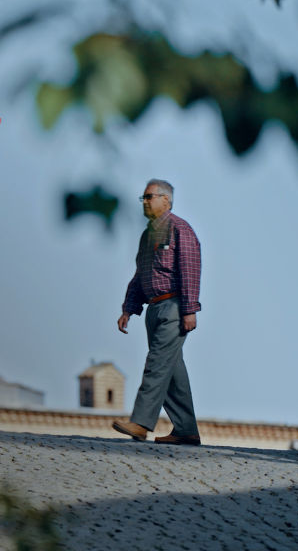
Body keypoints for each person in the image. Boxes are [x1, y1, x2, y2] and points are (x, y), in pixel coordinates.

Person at [112, 179, 203, 445]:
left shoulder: (180, 229)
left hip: (175, 308)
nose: (145, 201)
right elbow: (140, 274)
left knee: (156, 365)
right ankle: (186, 430)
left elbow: (190, 271)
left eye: (149, 196)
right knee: (171, 370)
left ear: (166, 200)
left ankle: (140, 423)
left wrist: (189, 310)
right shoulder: (147, 235)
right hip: (153, 308)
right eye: (143, 198)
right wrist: (129, 308)